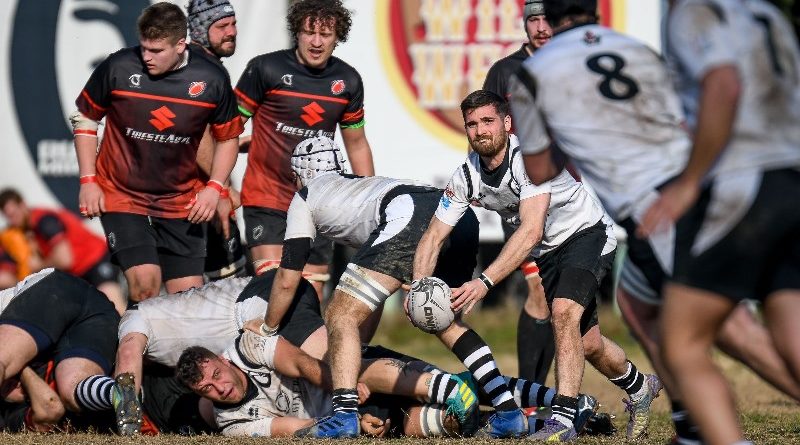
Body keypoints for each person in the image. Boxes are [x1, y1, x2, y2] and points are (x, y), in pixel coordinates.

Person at [509, 1, 800, 443]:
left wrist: (571, 130)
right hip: (712, 182)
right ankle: (688, 423)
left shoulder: (532, 72)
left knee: (728, 330)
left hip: (664, 205)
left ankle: (704, 431)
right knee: (635, 300)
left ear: (546, 17)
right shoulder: (636, 48)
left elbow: (539, 170)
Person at [415, 90, 661, 441]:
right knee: (586, 343)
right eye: (472, 124)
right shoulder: (466, 175)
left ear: (507, 123)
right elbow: (433, 236)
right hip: (547, 254)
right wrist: (419, 286)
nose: (480, 130)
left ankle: (562, 419)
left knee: (563, 313)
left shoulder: (530, 158)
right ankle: (640, 388)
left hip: (585, 233)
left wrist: (483, 282)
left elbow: (530, 231)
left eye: (488, 121)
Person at [260, 136, 530, 439]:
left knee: (340, 313)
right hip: (456, 213)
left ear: (298, 175)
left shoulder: (305, 196)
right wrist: (355, 354)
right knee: (444, 319)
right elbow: (372, 300)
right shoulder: (356, 186)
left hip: (412, 214)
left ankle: (344, 417)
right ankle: (509, 412)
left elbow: (287, 277)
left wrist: (268, 328)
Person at [637, 1, 800, 444]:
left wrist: (690, 181)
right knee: (790, 329)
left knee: (681, 341)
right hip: (792, 174)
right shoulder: (766, 13)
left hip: (744, 180)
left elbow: (723, 85)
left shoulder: (694, 9)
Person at [72, 2, 243, 302]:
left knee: (187, 299)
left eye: (157, 51)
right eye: (144, 48)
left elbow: (227, 139)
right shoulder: (119, 66)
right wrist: (88, 180)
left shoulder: (212, 79)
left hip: (180, 200)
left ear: (181, 45)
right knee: (146, 284)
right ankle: (130, 349)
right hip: (121, 193)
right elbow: (86, 119)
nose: (147, 57)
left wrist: (215, 189)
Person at [72, 269, 326, 435]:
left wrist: (128, 423)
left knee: (338, 373)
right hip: (257, 296)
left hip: (255, 300)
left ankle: (347, 394)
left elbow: (128, 355)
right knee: (345, 362)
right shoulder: (178, 342)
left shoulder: (136, 318)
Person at [234, 0, 375, 296]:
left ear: (338, 37)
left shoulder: (347, 81)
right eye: (309, 32)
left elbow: (357, 144)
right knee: (271, 288)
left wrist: (368, 202)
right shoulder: (265, 68)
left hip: (318, 203)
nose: (316, 42)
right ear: (296, 31)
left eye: (325, 34)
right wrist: (218, 183)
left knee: (309, 300)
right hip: (267, 198)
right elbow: (226, 130)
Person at [176, 331, 480, 437]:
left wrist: (342, 389)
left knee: (361, 371)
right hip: (347, 415)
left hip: (344, 376)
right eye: (207, 390)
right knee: (439, 423)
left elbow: (300, 363)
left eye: (216, 375)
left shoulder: (247, 347)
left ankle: (474, 389)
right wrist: (353, 419)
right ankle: (515, 418)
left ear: (223, 360)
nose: (220, 388)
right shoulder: (232, 424)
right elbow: (297, 427)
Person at [482, 0, 555, 386]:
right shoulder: (504, 71)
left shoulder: (572, 63)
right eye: (534, 20)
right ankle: (531, 396)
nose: (541, 27)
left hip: (567, 197)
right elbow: (481, 133)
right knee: (539, 290)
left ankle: (548, 397)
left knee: (562, 302)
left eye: (547, 19)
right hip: (521, 198)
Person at [0, 269, 120, 428]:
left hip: (53, 291)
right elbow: (50, 409)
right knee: (72, 388)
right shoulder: (10, 415)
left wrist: (15, 362)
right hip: (95, 315)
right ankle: (119, 394)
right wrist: (22, 369)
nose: (13, 384)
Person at [186, 0, 248, 281]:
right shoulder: (202, 70)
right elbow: (195, 136)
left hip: (202, 193)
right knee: (227, 291)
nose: (231, 32)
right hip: (201, 197)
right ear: (200, 30)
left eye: (233, 23)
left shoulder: (203, 65)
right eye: (222, 26)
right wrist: (221, 188)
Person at [0, 188, 125, 314]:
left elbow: (65, 259)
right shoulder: (17, 234)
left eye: (14, 214)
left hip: (96, 259)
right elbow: (8, 273)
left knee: (114, 307)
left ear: (23, 205)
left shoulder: (44, 220)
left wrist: (38, 266)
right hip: (76, 273)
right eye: (9, 217)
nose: (13, 221)